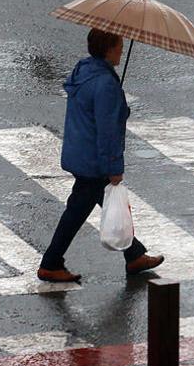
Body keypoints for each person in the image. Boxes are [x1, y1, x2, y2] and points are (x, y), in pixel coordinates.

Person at [37, 29, 164, 283]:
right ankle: (50, 263)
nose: (122, 50)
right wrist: (114, 166)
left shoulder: (84, 70)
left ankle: (134, 254)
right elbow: (107, 131)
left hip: (80, 151)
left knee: (91, 203)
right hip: (93, 159)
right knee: (79, 209)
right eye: (119, 45)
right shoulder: (105, 84)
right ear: (108, 49)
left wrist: (118, 108)